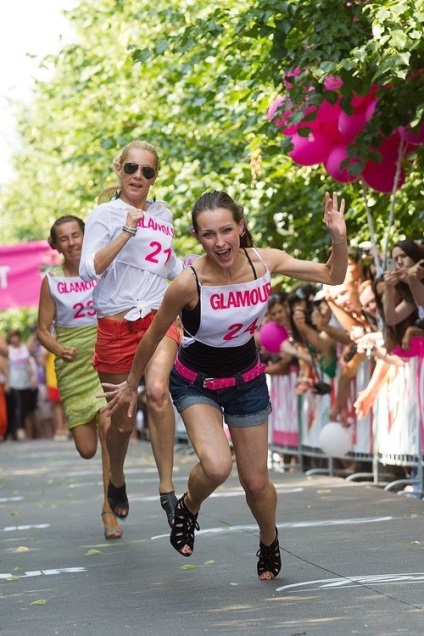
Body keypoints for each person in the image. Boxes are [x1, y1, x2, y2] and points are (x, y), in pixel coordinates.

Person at [100, 190, 347, 580]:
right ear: (198, 237)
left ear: (241, 227)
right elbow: (153, 336)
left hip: (247, 382)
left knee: (255, 482)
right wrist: (133, 384)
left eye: (227, 231)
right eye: (209, 234)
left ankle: (269, 541)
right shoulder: (187, 281)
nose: (220, 243)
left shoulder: (267, 262)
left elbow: (334, 275)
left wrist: (337, 236)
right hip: (196, 383)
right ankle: (189, 506)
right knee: (216, 466)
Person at [79, 140, 183, 526]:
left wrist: (199, 274)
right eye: (132, 169)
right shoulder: (104, 215)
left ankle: (167, 489)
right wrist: (125, 231)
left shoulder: (164, 214)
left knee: (157, 392)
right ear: (119, 169)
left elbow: (166, 263)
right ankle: (117, 478)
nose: (139, 176)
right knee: (121, 419)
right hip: (116, 325)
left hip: (157, 317)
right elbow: (91, 269)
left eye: (147, 171)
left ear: (155, 177)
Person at [37, 215, 122, 540]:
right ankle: (110, 485)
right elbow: (43, 330)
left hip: (103, 355)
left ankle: (109, 507)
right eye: (64, 238)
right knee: (87, 449)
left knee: (106, 426)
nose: (72, 242)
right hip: (72, 365)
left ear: (86, 236)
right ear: (56, 245)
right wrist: (59, 349)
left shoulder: (100, 267)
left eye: (76, 235)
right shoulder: (52, 280)